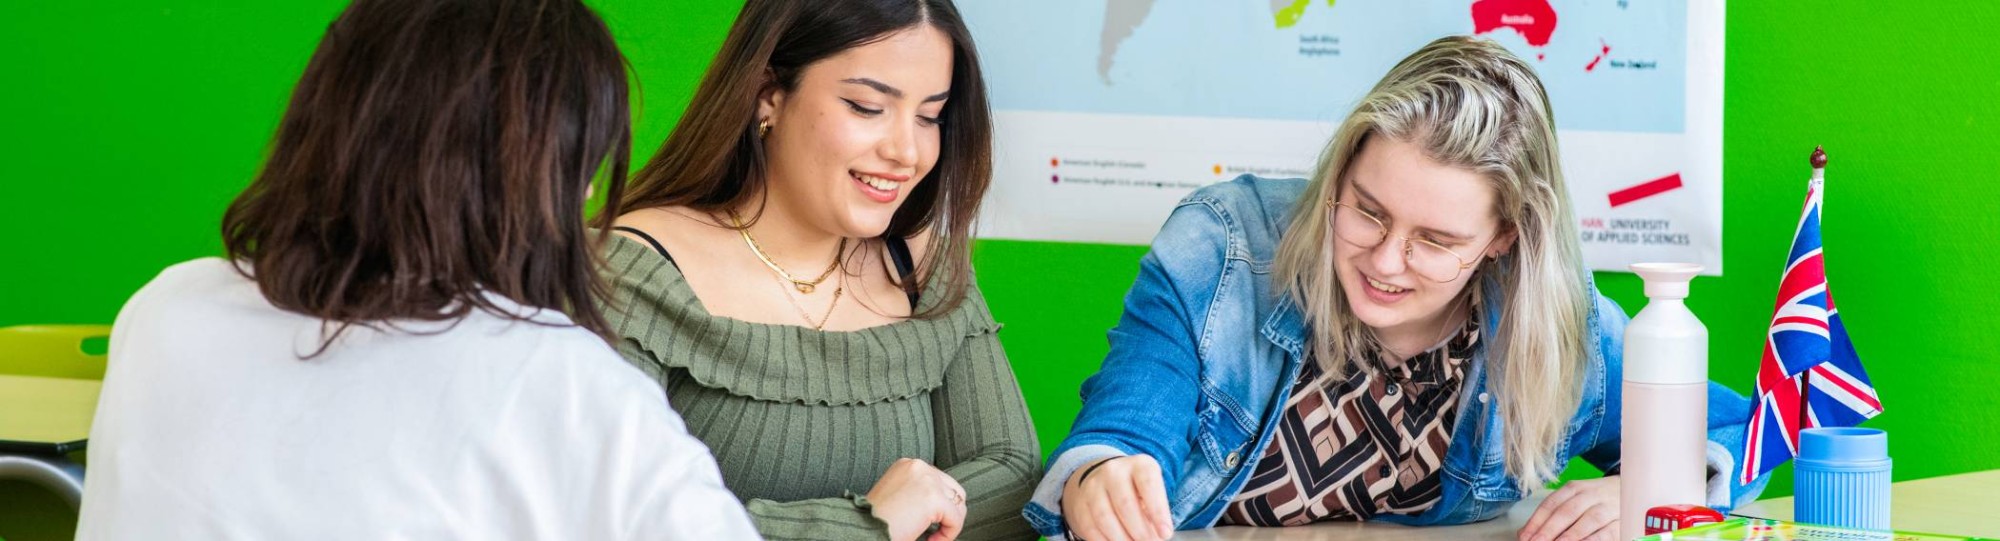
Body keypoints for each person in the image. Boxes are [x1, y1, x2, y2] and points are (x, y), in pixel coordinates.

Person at [1024, 36, 1768, 541]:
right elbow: (1124, 424)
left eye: (1437, 241)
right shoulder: (1223, 246)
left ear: (1503, 238)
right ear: (1340, 174)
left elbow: (1746, 428)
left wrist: (1660, 488)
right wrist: (1100, 474)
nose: (1385, 261)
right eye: (1367, 211)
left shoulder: (1549, 318)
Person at [75, 0, 755, 538]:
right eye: (582, 171)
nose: (585, 202)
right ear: (537, 177)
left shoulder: (166, 309)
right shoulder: (566, 386)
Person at [598, 1, 1039, 540]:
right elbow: (608, 518)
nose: (907, 151)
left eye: (930, 117)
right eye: (867, 106)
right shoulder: (633, 269)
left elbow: (1012, 476)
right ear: (768, 93)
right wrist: (870, 527)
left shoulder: (924, 268)